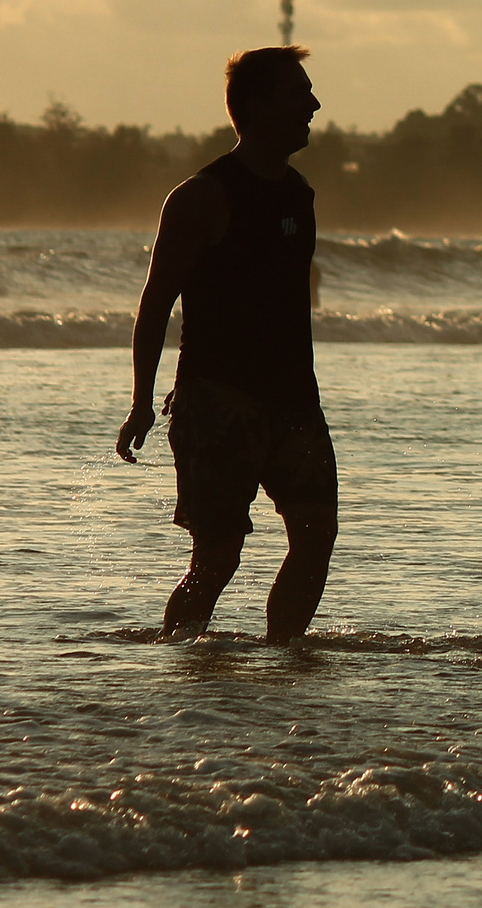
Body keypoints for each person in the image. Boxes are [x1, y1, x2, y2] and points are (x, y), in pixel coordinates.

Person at [116, 46, 336, 644]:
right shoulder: (201, 197)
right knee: (217, 560)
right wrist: (141, 401)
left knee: (316, 538)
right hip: (218, 400)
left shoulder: (299, 195)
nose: (314, 105)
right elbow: (155, 303)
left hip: (294, 402)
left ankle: (284, 659)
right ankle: (186, 664)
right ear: (258, 107)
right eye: (300, 94)